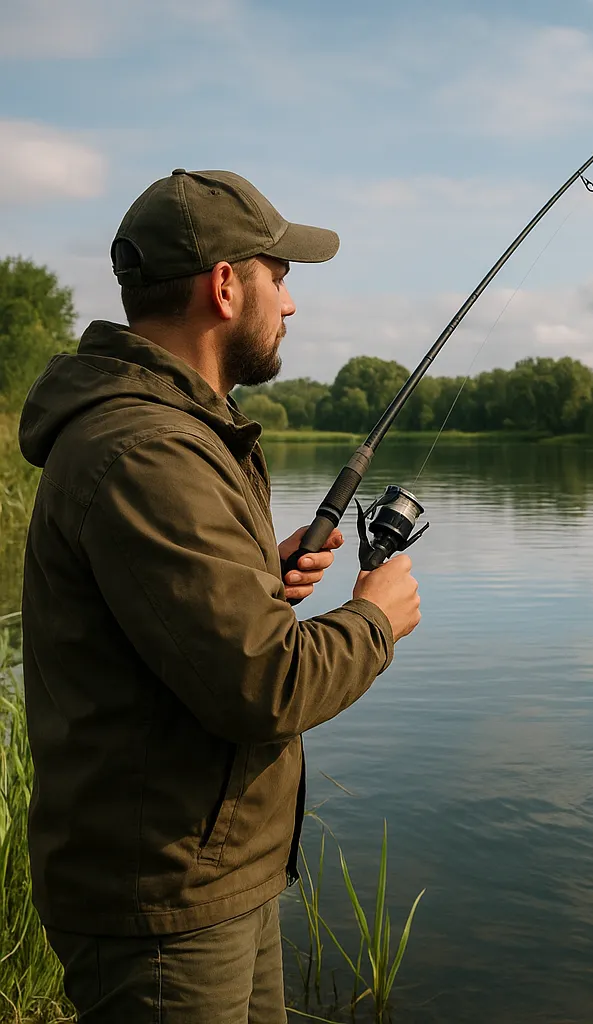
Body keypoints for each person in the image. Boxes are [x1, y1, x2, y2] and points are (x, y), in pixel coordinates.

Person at [17, 168, 422, 1023]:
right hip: (163, 904)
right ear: (226, 284)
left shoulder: (175, 435)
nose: (291, 305)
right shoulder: (146, 451)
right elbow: (266, 684)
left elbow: (170, 629)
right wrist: (375, 619)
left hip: (214, 876)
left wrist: (250, 579)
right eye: (281, 279)